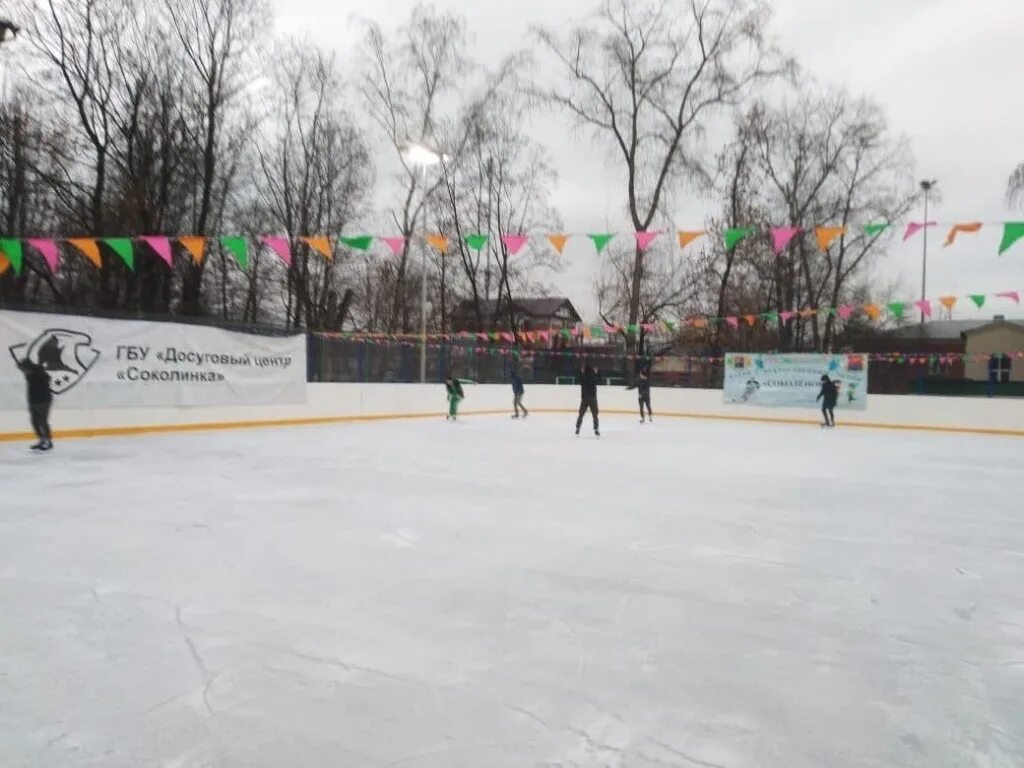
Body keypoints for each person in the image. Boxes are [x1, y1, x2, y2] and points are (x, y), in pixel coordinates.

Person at [16, 357, 54, 451]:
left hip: (44, 401)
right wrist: (30, 403)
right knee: (34, 422)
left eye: (23, 369)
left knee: (42, 421)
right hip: (34, 401)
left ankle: (48, 441)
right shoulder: (30, 375)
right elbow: (31, 390)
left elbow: (46, 380)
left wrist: (33, 375)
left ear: (28, 367)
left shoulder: (40, 373)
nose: (23, 371)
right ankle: (41, 439)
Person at [575, 363, 600, 437]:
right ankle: (596, 429)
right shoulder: (593, 379)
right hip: (592, 398)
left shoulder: (584, 379)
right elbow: (599, 380)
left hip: (585, 399)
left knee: (581, 414)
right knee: (595, 415)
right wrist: (596, 373)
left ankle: (577, 428)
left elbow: (578, 379)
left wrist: (581, 372)